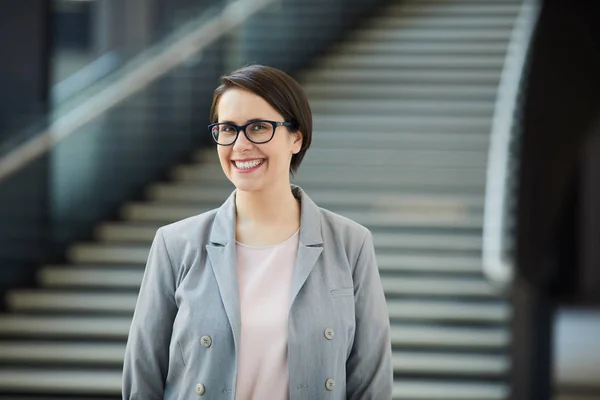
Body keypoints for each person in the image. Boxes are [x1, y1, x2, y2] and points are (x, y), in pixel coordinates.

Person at [122, 64, 392, 400]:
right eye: (227, 129)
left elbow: (371, 384)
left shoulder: (350, 244)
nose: (240, 145)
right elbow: (142, 378)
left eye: (259, 127)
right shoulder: (175, 244)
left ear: (297, 137)